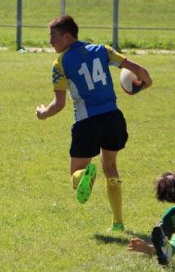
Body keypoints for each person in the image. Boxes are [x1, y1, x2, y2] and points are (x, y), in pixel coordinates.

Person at [35, 15, 152, 231]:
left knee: (75, 175)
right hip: (113, 118)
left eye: (54, 36)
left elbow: (58, 104)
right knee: (111, 168)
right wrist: (144, 85)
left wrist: (43, 113)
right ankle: (118, 222)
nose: (50, 41)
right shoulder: (102, 50)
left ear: (68, 36)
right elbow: (140, 71)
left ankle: (85, 175)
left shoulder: (60, 63)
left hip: (87, 122)